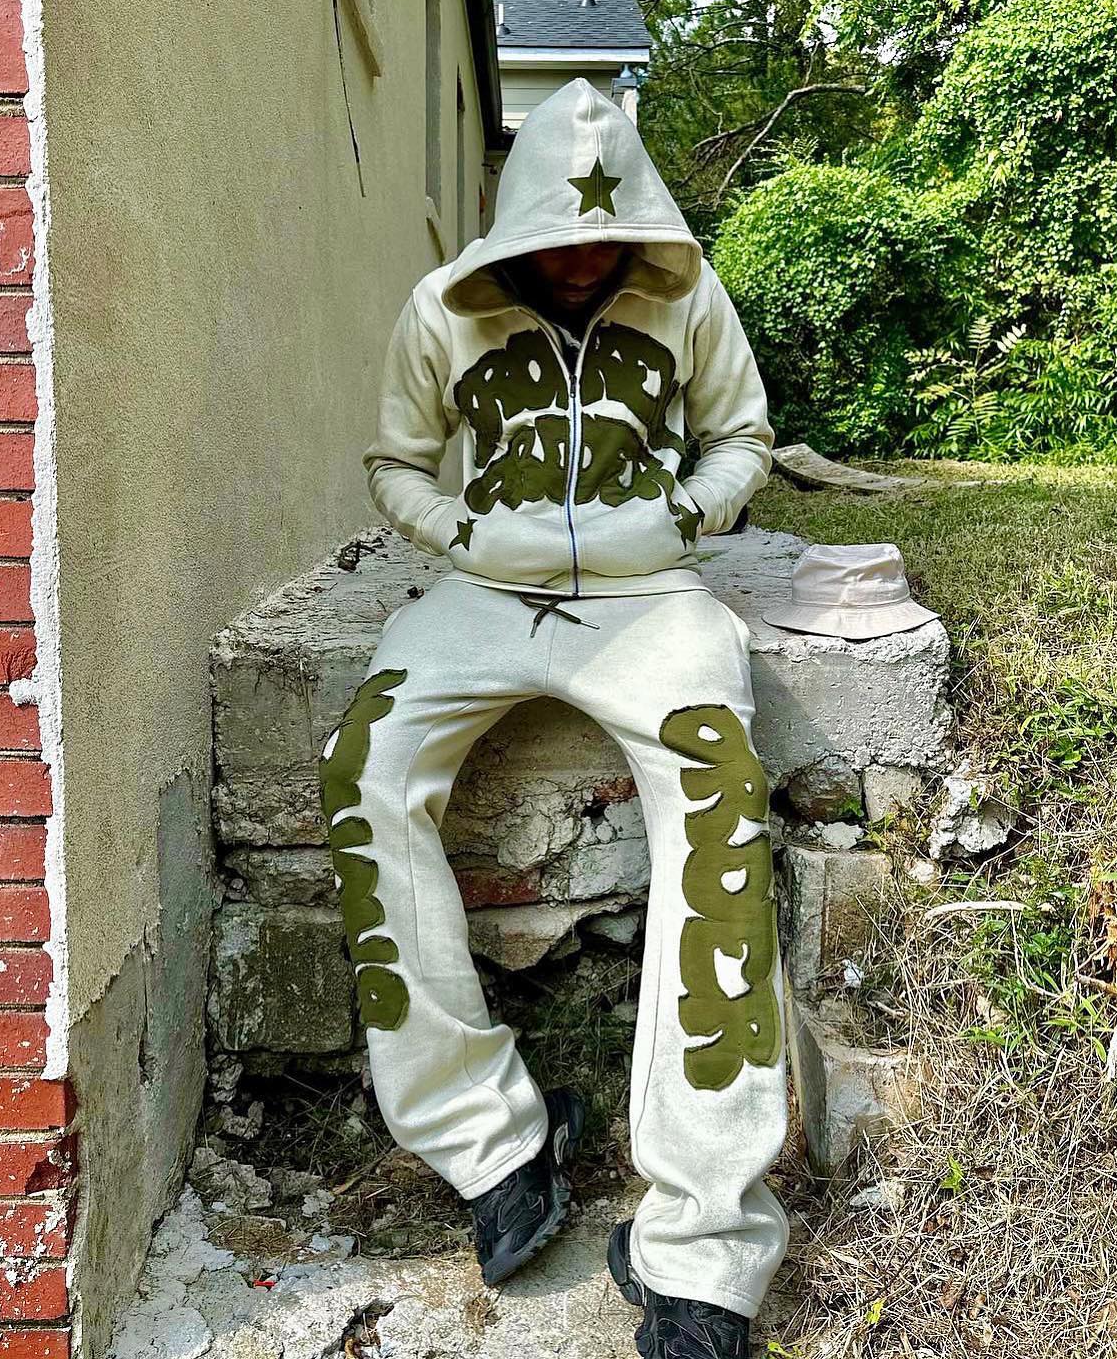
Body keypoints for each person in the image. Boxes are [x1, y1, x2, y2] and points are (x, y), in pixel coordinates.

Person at [317, 77, 786, 1359]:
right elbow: (395, 463)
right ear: (518, 222)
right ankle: (493, 1139)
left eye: (609, 237)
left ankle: (704, 1242)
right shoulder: (441, 307)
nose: (585, 260)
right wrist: (462, 534)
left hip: (654, 597)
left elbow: (743, 437)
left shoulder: (688, 293)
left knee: (721, 797)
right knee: (364, 769)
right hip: (481, 592)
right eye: (561, 240)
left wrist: (684, 515)